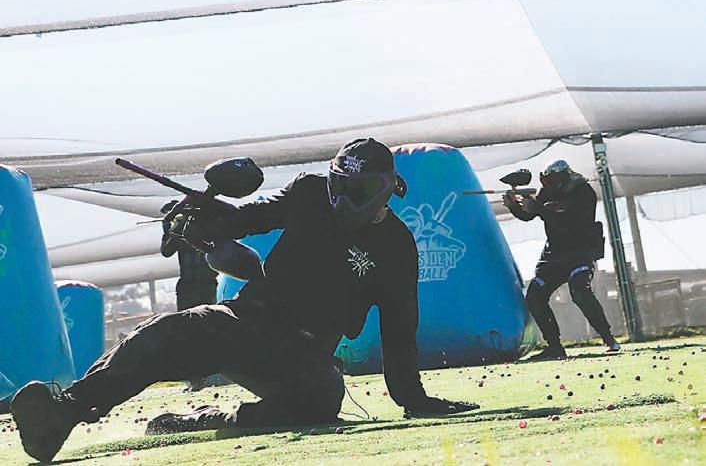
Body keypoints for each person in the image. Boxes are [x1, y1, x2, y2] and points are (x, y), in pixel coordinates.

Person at [11, 138, 478, 464]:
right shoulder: (309, 192)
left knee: (322, 395)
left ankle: (211, 419)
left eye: (358, 191)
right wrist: (202, 220)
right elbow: (247, 219)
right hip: (244, 321)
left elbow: (400, 329)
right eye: (338, 186)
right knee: (163, 333)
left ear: (387, 188)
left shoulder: (396, 247)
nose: (343, 200)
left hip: (304, 353)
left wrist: (413, 399)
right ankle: (63, 413)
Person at [503, 160, 620, 361]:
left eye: (552, 182)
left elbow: (574, 224)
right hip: (555, 255)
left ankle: (608, 339)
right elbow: (529, 214)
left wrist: (541, 209)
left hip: (580, 251)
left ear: (563, 178)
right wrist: (514, 205)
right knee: (535, 296)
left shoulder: (584, 192)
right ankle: (555, 347)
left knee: (579, 291)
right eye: (546, 183)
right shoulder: (548, 191)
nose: (548, 187)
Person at [160, 200, 219, 391]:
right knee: (188, 332)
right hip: (189, 285)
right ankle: (196, 378)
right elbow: (166, 251)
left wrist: (180, 226)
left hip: (206, 283)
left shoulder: (206, 225)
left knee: (208, 329)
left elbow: (215, 244)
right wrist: (169, 228)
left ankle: (210, 374)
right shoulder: (177, 230)